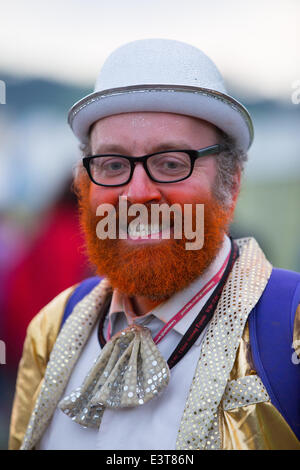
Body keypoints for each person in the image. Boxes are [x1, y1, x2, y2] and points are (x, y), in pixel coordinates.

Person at [9, 39, 300, 450]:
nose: (137, 192)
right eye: (112, 164)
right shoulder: (51, 330)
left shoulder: (290, 328)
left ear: (230, 185)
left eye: (171, 163)